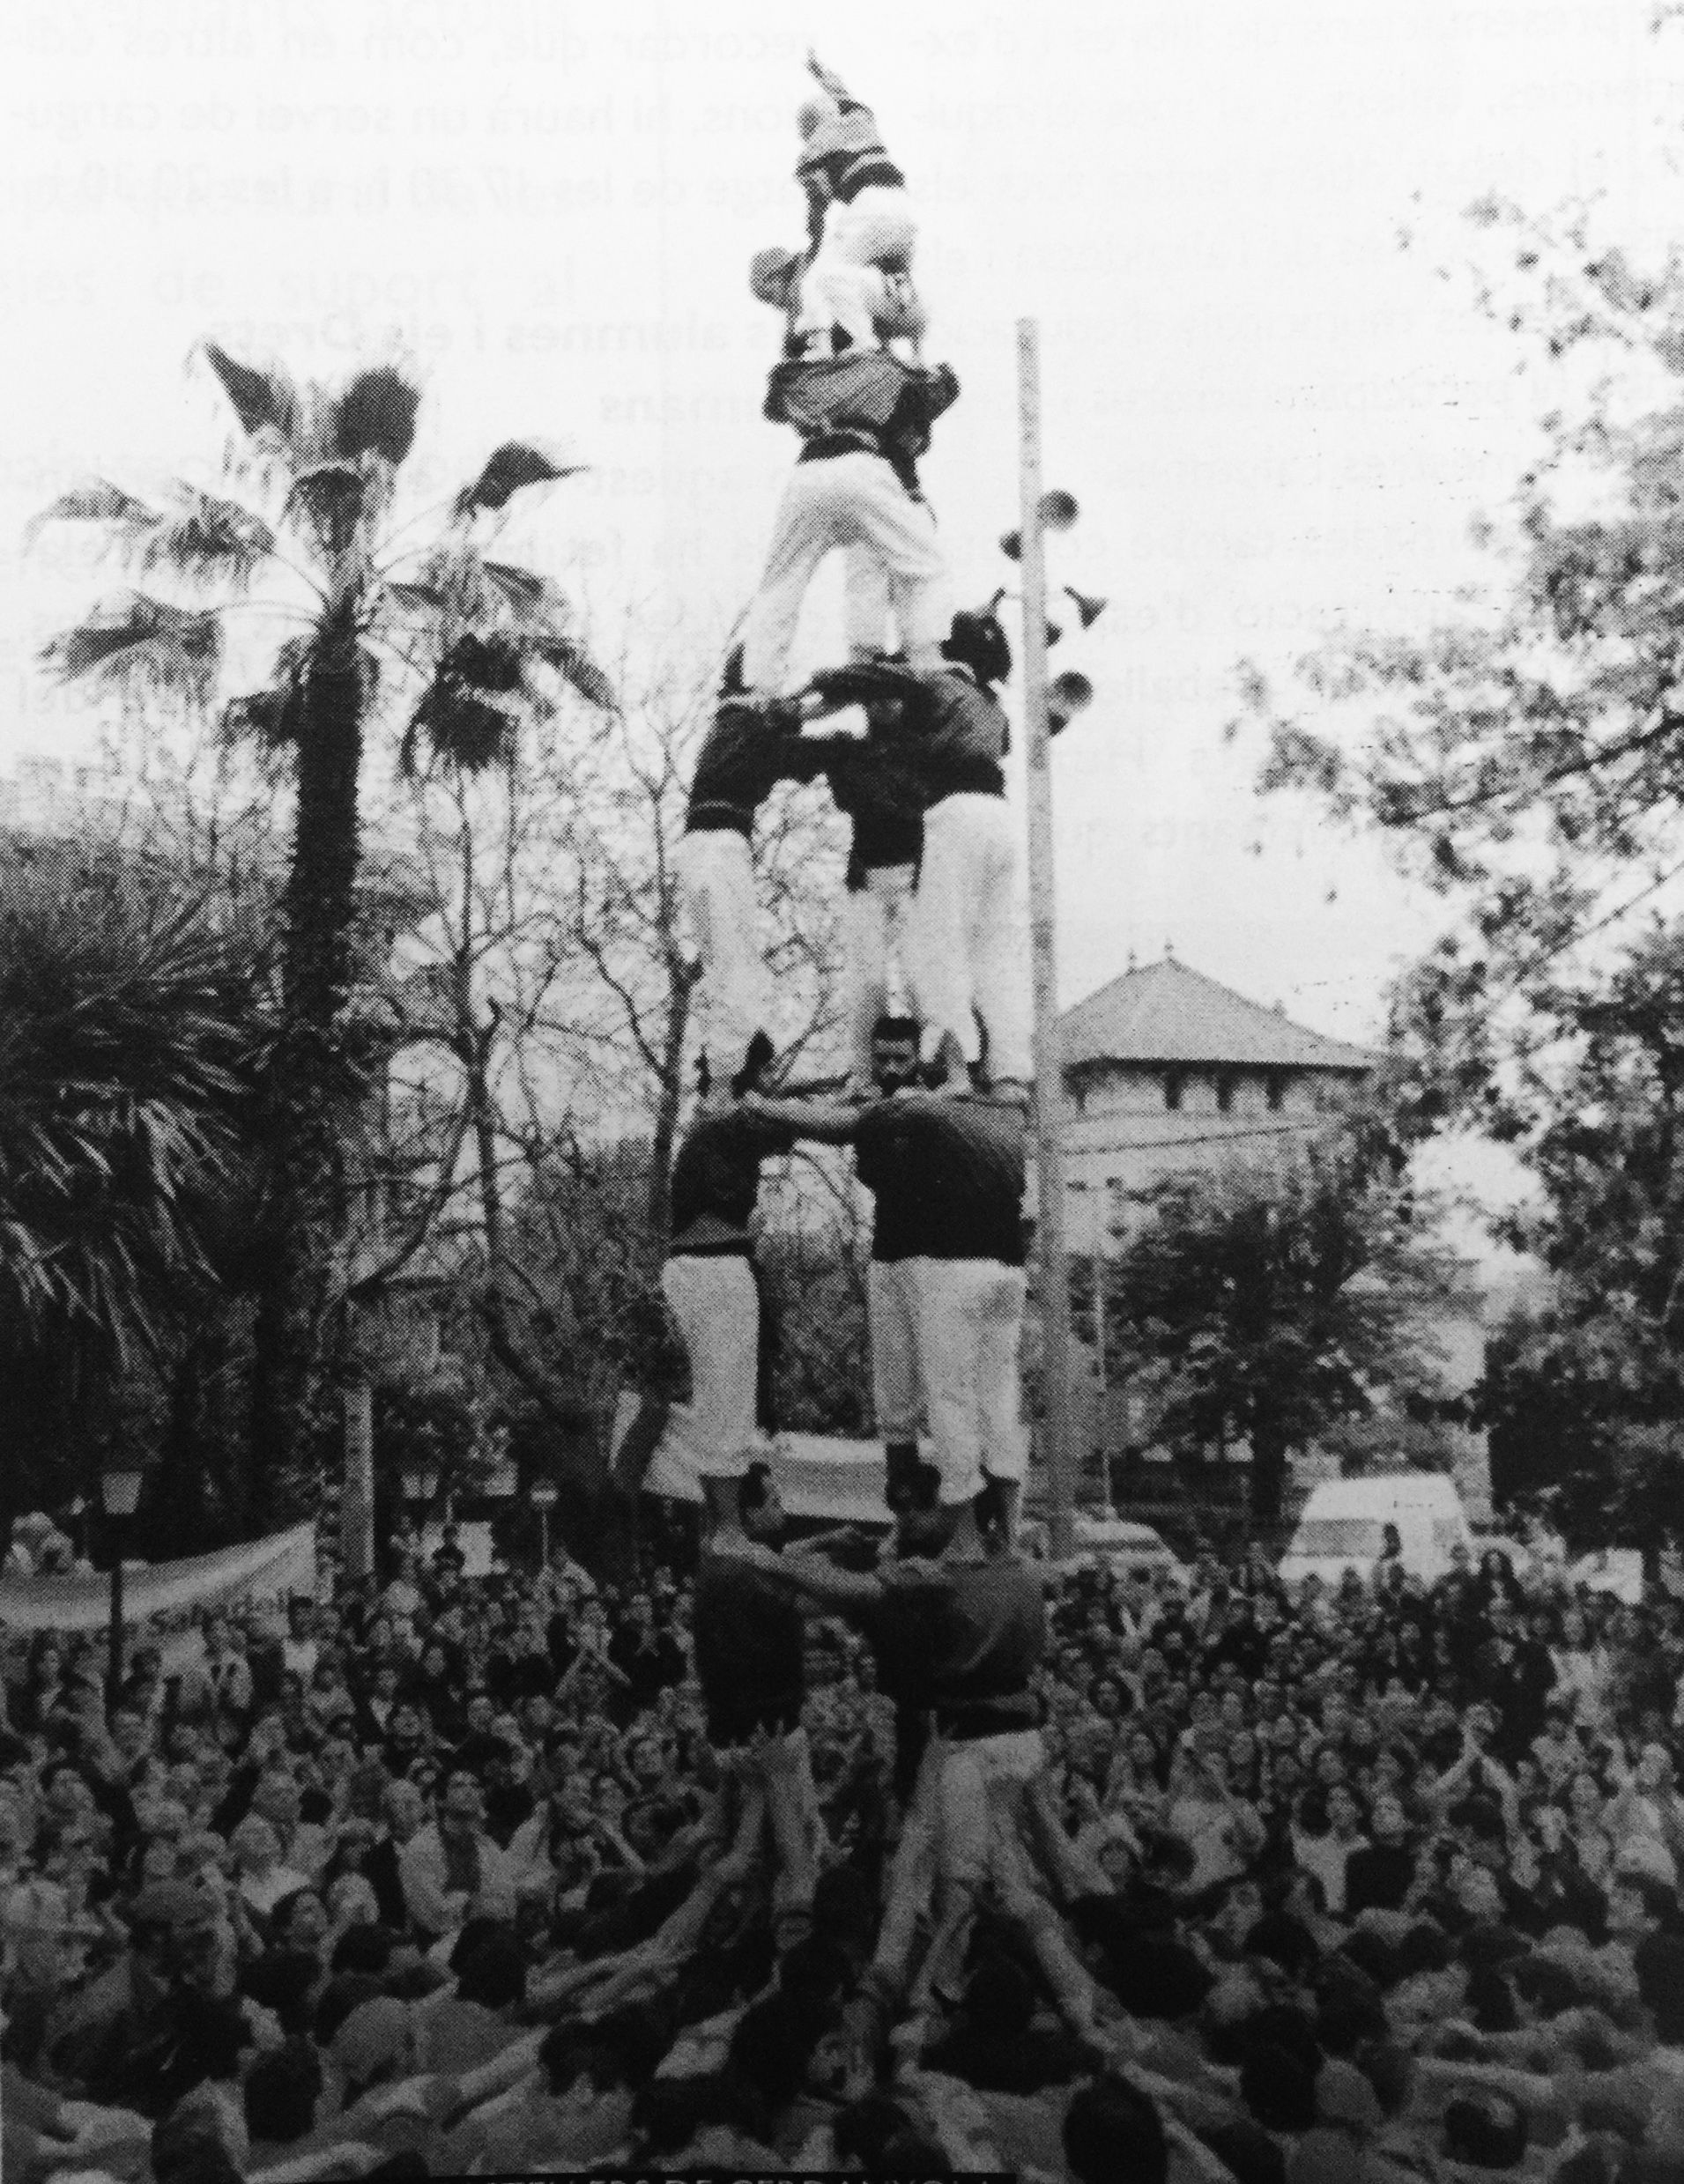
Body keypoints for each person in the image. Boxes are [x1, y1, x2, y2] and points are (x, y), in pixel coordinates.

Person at [652, 1064, 798, 1536]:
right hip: (715, 1271)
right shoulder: (724, 1125)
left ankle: (721, 1527)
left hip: (692, 1270)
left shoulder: (708, 1135)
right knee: (727, 1404)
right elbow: (784, 1123)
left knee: (712, 1405)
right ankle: (729, 1529)